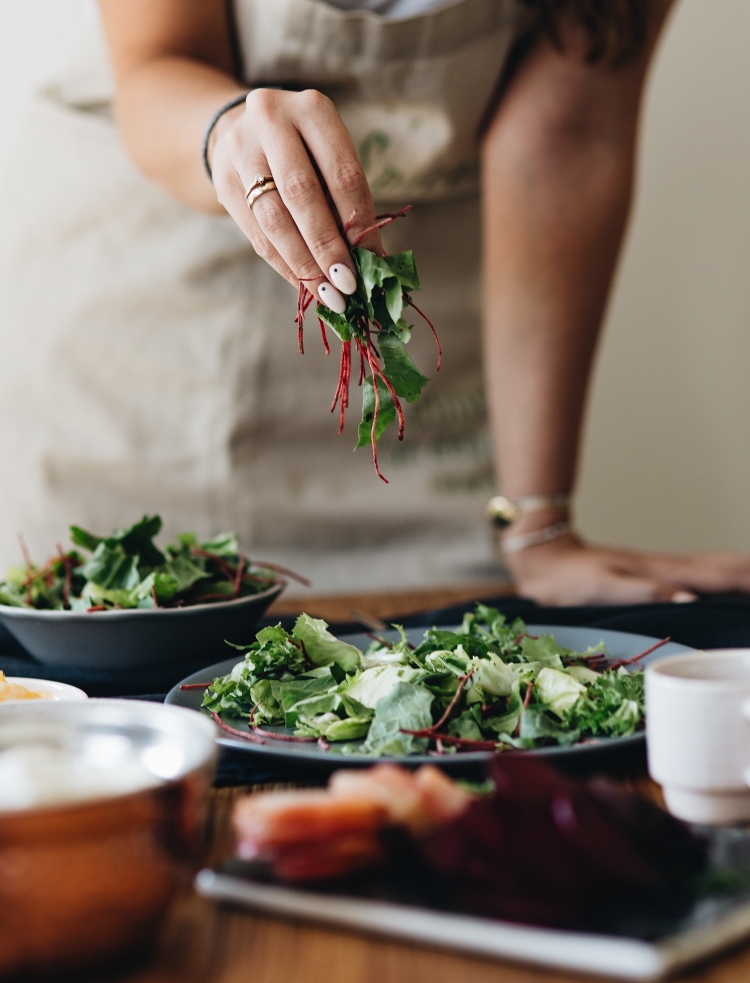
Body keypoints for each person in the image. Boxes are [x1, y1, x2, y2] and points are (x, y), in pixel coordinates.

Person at [1, 0, 749, 604]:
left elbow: (567, 130)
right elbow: (156, 61)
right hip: (147, 366)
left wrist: (538, 525)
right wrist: (225, 132)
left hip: (410, 413)